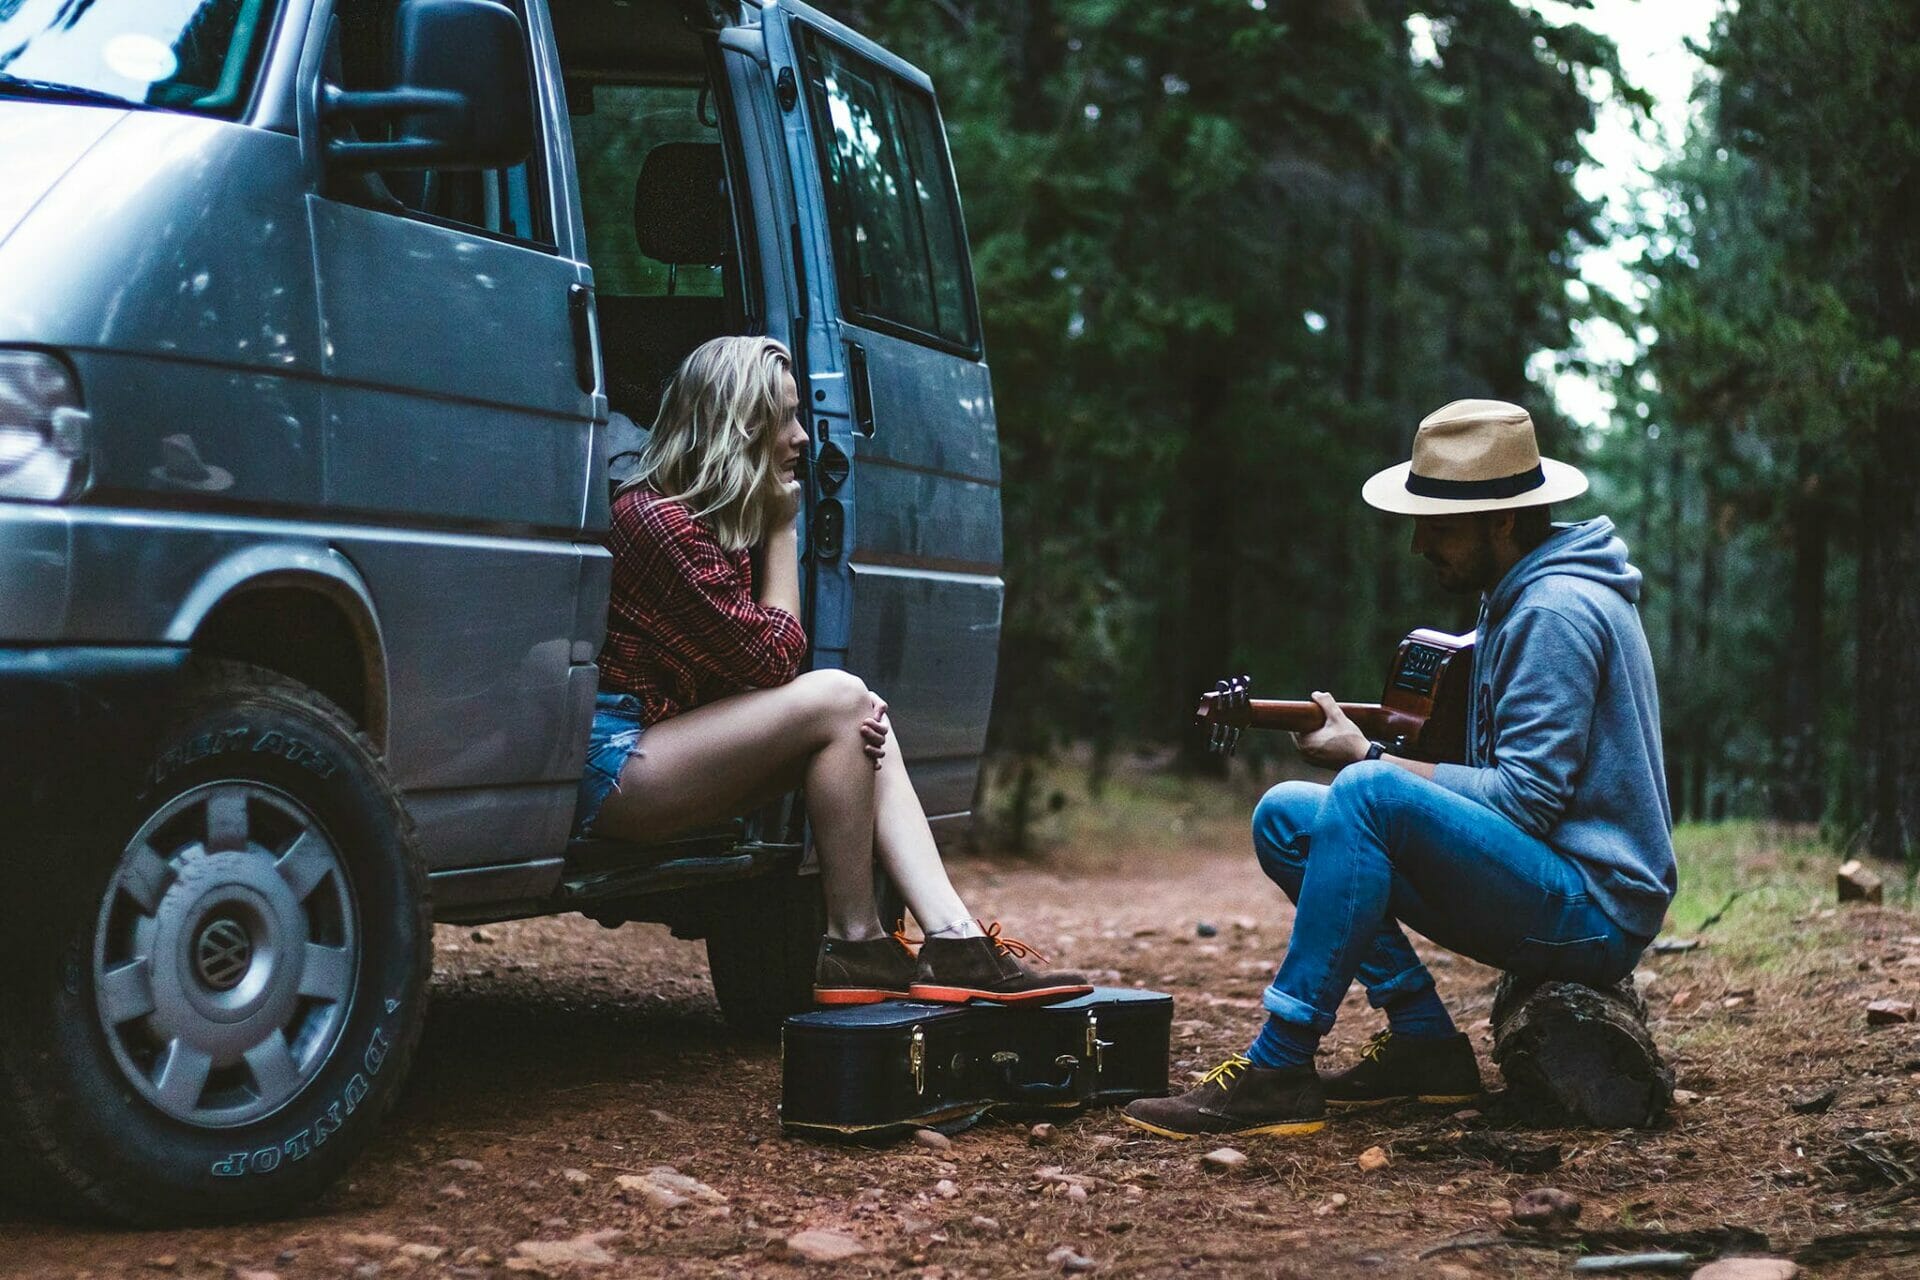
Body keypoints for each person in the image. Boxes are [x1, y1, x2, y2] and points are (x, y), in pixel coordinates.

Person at [1124, 399, 1675, 1139]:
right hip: (1551, 879)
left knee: (1366, 790)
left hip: (1594, 910)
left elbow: (1528, 800)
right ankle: (1423, 1042)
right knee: (1288, 815)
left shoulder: (1554, 612)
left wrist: (1373, 758)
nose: (1419, 545)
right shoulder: (1520, 597)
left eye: (1439, 526)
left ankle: (1281, 1065)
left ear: (1503, 521)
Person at [577, 335, 1089, 1007]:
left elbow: (755, 673)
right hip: (615, 766)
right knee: (844, 699)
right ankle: (857, 941)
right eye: (783, 417)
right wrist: (784, 530)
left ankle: (947, 939)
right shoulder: (656, 523)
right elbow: (774, 659)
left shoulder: (701, 522)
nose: (800, 437)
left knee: (859, 719)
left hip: (656, 752)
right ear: (740, 426)